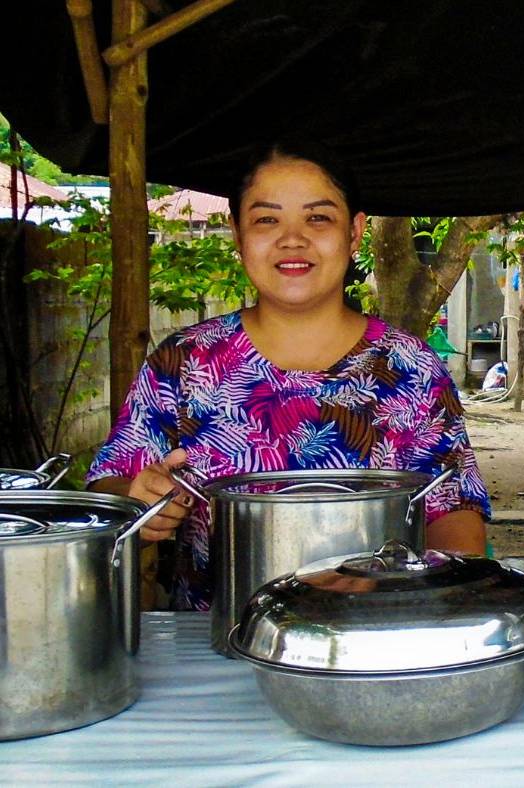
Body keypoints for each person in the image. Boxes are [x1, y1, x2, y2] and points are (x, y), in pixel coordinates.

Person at [87, 137, 490, 610]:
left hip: (369, 638)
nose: (292, 239)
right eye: (267, 219)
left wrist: (430, 604)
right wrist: (140, 504)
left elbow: (454, 513)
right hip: (217, 644)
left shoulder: (410, 369)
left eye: (318, 218)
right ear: (237, 233)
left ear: (355, 232)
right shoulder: (186, 361)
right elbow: (108, 496)